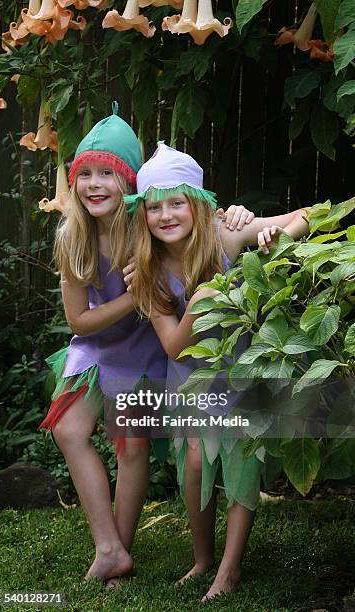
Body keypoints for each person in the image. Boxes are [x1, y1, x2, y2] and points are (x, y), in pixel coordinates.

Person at [39, 112, 254, 584]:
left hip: (149, 345)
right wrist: (130, 299)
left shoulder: (148, 228)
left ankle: (121, 550)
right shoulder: (74, 237)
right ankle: (108, 545)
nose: (94, 186)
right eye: (85, 176)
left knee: (131, 445)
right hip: (95, 346)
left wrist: (239, 215)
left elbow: (202, 228)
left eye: (108, 174)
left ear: (131, 183)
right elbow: (79, 321)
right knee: (70, 429)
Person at [123, 142, 310, 601]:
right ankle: (202, 557)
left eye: (177, 203)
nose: (166, 215)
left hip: (240, 373)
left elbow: (307, 214)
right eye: (154, 207)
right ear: (142, 214)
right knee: (193, 465)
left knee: (240, 463)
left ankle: (229, 569)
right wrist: (204, 298)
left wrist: (276, 235)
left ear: (200, 204)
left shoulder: (226, 237)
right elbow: (175, 347)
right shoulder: (145, 271)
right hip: (190, 381)